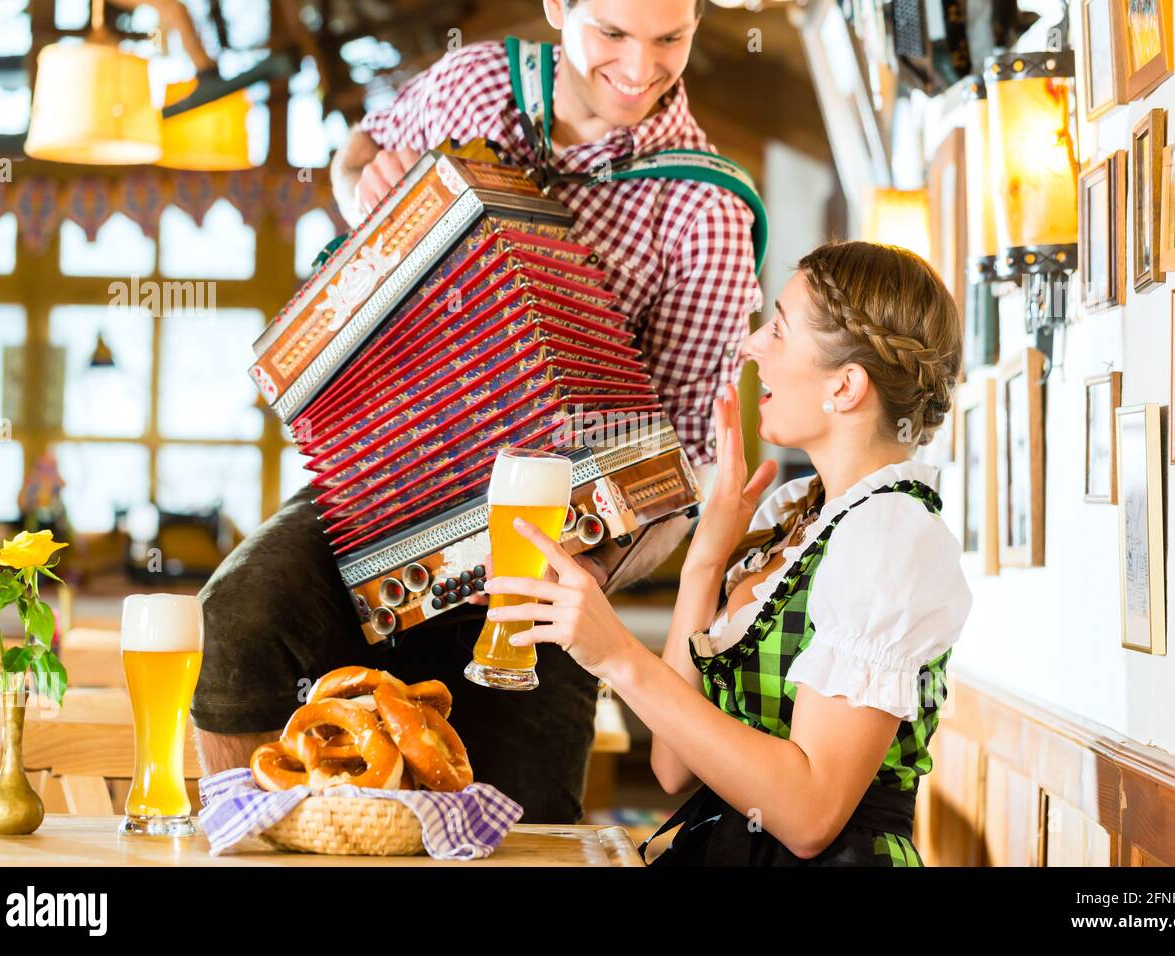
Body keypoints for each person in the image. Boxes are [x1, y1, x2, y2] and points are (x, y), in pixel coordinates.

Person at [190, 0, 764, 825]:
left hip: (544, 557)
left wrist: (583, 574)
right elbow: (358, 151)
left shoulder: (707, 213)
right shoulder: (474, 80)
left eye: (669, 38)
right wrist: (366, 191)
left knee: (523, 822)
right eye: (612, 33)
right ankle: (256, 833)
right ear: (558, 7)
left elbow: (680, 477)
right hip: (383, 481)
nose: (641, 69)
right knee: (240, 613)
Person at [481, 240, 974, 864]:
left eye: (780, 330)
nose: (751, 345)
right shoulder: (795, 516)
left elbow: (809, 817)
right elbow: (673, 766)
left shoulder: (891, 537)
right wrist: (704, 563)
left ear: (846, 385)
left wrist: (617, 655)